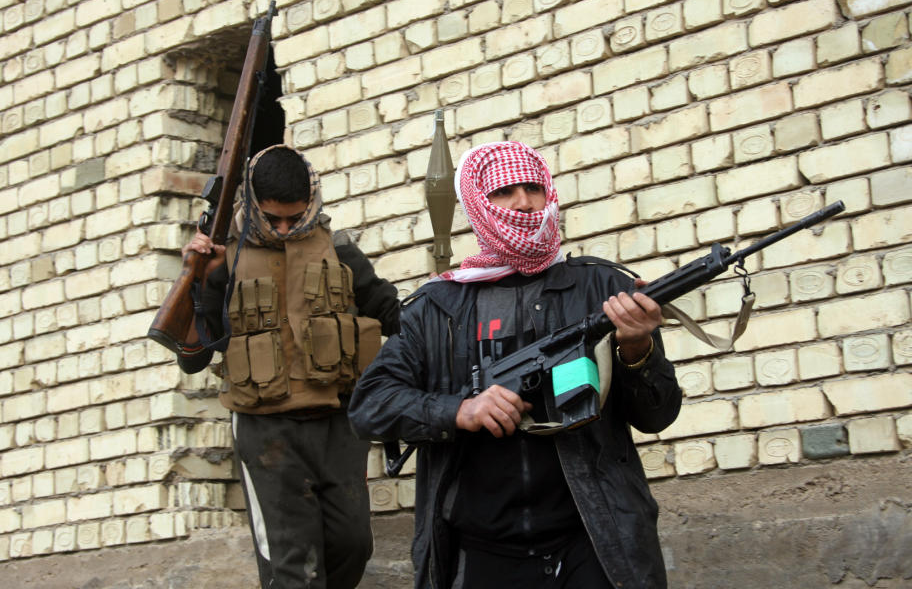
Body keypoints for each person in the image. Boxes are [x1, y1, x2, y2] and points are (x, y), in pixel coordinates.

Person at [348, 141, 682, 589]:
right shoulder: (437, 307)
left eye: (533, 188)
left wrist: (638, 348)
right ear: (477, 204)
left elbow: (657, 415)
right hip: (481, 554)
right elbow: (370, 406)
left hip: (595, 544)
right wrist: (458, 411)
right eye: (505, 192)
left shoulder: (601, 287)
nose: (524, 202)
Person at [176, 144, 400, 589]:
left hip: (337, 422)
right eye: (272, 218)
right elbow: (194, 356)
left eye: (294, 218)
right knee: (291, 567)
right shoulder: (225, 257)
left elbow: (392, 312)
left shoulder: (337, 247)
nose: (282, 229)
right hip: (266, 430)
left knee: (353, 543)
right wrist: (197, 278)